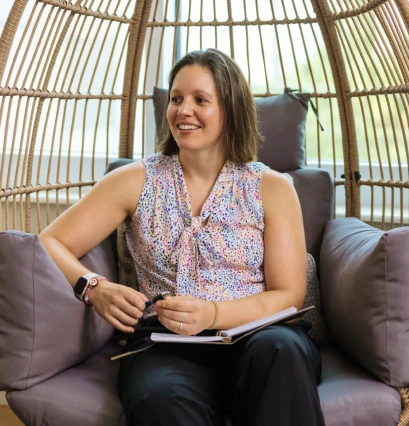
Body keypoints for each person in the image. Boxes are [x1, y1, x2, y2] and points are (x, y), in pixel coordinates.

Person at [39, 48, 325, 426]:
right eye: (176, 99)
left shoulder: (272, 187)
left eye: (200, 100)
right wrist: (93, 287)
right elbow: (49, 242)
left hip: (261, 338)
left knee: (281, 350)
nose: (183, 110)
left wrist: (213, 314)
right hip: (166, 347)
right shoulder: (135, 179)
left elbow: (289, 295)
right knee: (159, 397)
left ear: (230, 110)